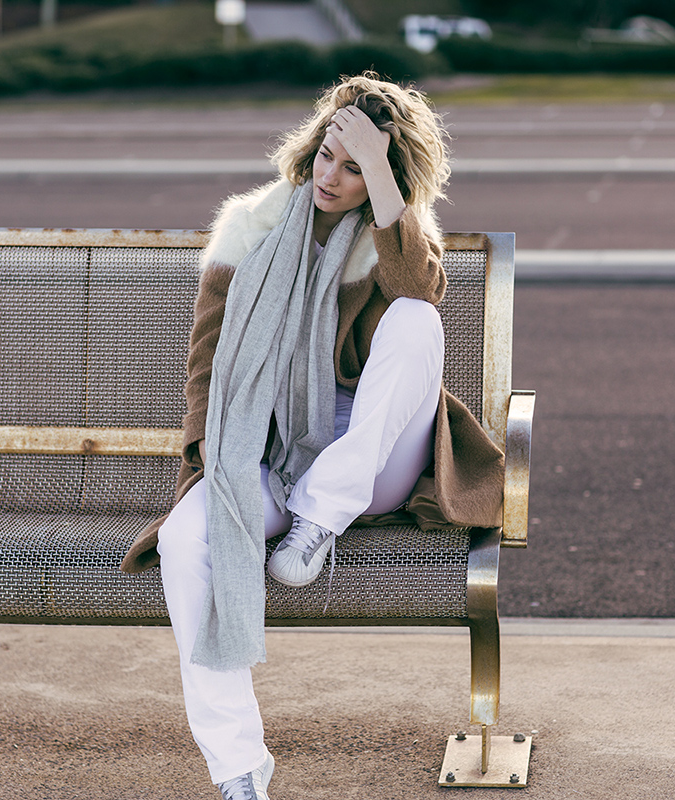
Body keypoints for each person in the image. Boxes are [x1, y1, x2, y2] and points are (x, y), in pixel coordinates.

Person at [119, 72, 504, 800]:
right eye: (329, 153)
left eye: (355, 167)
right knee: (185, 538)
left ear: (386, 176)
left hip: (373, 455)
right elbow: (206, 365)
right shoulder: (252, 229)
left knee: (416, 322)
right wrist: (211, 467)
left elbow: (419, 290)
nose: (331, 175)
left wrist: (386, 186)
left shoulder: (395, 238)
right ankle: (238, 773)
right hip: (270, 455)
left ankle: (319, 520)